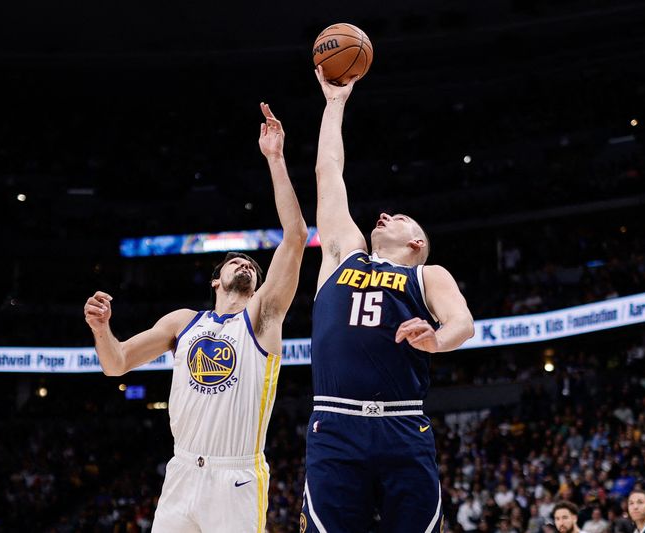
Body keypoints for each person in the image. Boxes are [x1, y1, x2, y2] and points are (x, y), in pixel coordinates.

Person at [84, 103, 307, 533]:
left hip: (235, 477)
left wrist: (275, 159)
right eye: (235, 261)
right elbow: (115, 364)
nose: (245, 264)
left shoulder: (262, 318)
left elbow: (295, 237)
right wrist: (101, 329)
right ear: (215, 281)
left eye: (252, 266)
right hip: (182, 470)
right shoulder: (182, 322)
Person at [299, 66, 475, 532]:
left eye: (397, 217)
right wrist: (334, 104)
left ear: (417, 242)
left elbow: (463, 323)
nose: (383, 214)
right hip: (335, 424)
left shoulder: (427, 274)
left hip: (402, 425)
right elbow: (327, 172)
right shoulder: (340, 255)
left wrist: (436, 339)